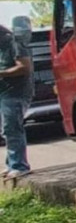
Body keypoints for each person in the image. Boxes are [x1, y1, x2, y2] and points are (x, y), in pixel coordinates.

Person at [0, 18, 33, 179]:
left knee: (12, 128)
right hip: (4, 93)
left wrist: (2, 73)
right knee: (7, 129)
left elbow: (25, 67)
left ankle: (20, 165)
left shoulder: (14, 43)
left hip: (16, 93)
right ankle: (12, 163)